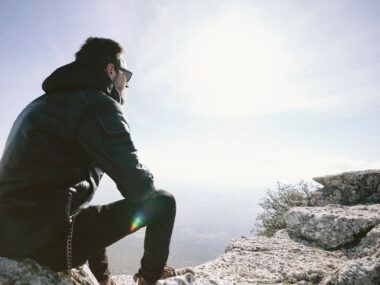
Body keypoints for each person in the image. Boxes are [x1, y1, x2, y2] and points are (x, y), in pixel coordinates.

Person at [0, 37, 193, 285]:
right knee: (164, 204)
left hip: (10, 235)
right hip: (42, 245)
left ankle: (104, 281)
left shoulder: (39, 105)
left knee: (87, 215)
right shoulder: (99, 105)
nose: (127, 85)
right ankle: (148, 279)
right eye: (127, 75)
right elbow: (139, 189)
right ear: (111, 70)